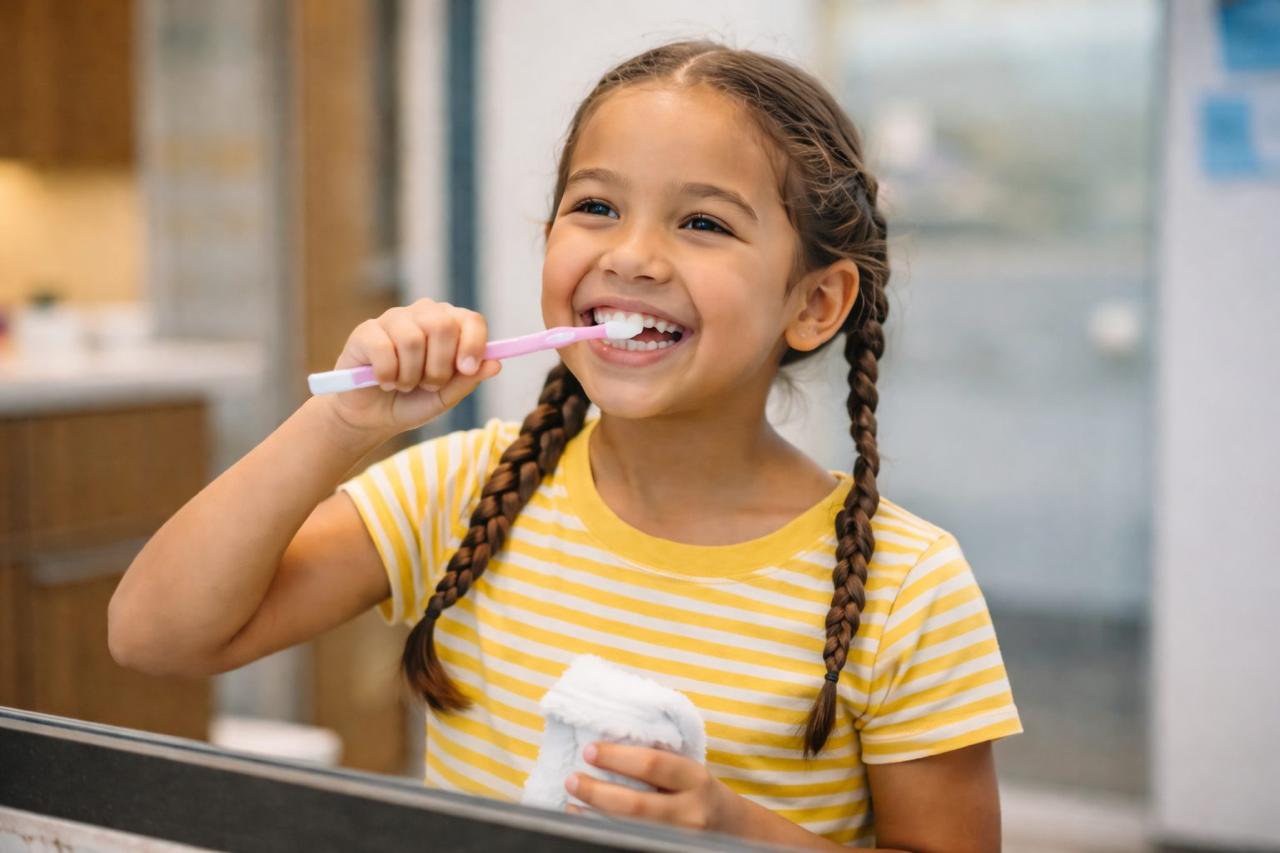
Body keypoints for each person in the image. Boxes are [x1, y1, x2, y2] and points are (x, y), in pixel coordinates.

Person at [110, 40, 1021, 851]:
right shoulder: (464, 488)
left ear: (816, 303)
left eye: (702, 222)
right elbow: (156, 636)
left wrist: (736, 830)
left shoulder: (908, 588)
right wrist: (342, 424)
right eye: (595, 206)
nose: (631, 256)